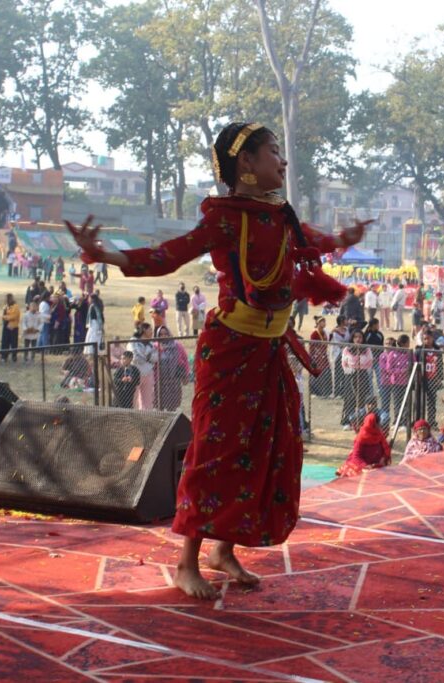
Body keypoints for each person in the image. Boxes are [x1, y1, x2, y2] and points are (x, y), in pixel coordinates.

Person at [65, 120, 369, 600]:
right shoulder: (225, 219)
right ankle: (186, 562)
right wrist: (106, 255)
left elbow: (311, 240)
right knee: (216, 451)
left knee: (265, 447)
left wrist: (341, 238)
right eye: (273, 152)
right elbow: (169, 255)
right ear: (246, 162)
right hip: (230, 350)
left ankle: (222, 550)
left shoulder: (281, 215)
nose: (282, 160)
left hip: (270, 350)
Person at [335, 413, 391, 477]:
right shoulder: (361, 437)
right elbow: (356, 456)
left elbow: (386, 449)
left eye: (378, 424)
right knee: (355, 473)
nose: (379, 426)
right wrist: (365, 466)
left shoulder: (379, 435)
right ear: (371, 424)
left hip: (376, 465)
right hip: (361, 465)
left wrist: (383, 458)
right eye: (377, 424)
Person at [155, 325, 189, 411]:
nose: (163, 336)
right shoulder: (155, 346)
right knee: (159, 405)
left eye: (165, 334)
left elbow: (184, 360)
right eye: (161, 334)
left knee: (172, 406)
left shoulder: (177, 345)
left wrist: (186, 374)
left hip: (174, 381)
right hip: (159, 382)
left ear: (169, 334)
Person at [127, 323, 159, 410]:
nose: (152, 332)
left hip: (148, 374)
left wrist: (146, 356)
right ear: (144, 330)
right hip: (135, 374)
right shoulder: (133, 342)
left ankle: (145, 417)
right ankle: (132, 416)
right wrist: (148, 357)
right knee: (133, 399)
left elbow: (156, 357)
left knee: (147, 401)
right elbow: (135, 357)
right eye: (150, 329)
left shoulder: (151, 343)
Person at [0, 293, 21, 362]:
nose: (7, 300)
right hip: (6, 326)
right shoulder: (5, 307)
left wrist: (6, 317)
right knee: (5, 342)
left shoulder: (16, 306)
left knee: (14, 343)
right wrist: (6, 317)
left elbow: (14, 316)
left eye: (8, 299)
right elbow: (2, 316)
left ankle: (14, 356)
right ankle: (4, 356)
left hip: (13, 327)